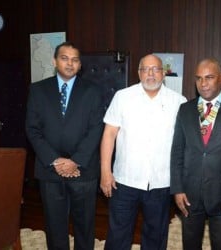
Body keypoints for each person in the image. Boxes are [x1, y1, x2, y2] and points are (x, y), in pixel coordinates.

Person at [100, 54, 187, 250]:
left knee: (155, 237)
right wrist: (105, 172)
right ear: (138, 73)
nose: (150, 74)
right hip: (124, 181)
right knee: (117, 236)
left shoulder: (179, 102)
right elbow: (109, 135)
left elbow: (184, 145)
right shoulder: (122, 97)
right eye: (145, 69)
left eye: (155, 69)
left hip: (161, 183)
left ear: (163, 73)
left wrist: (180, 183)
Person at [25, 41, 104, 250]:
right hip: (50, 171)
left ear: (80, 65)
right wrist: (56, 160)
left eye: (75, 59)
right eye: (64, 58)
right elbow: (33, 130)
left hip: (83, 171)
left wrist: (75, 161)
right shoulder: (37, 90)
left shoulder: (93, 91)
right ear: (54, 61)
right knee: (54, 226)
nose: (70, 63)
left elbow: (96, 129)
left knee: (85, 226)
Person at [170, 58, 221, 250]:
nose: (203, 83)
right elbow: (177, 152)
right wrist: (177, 188)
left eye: (209, 77)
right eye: (198, 78)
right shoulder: (185, 109)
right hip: (189, 195)